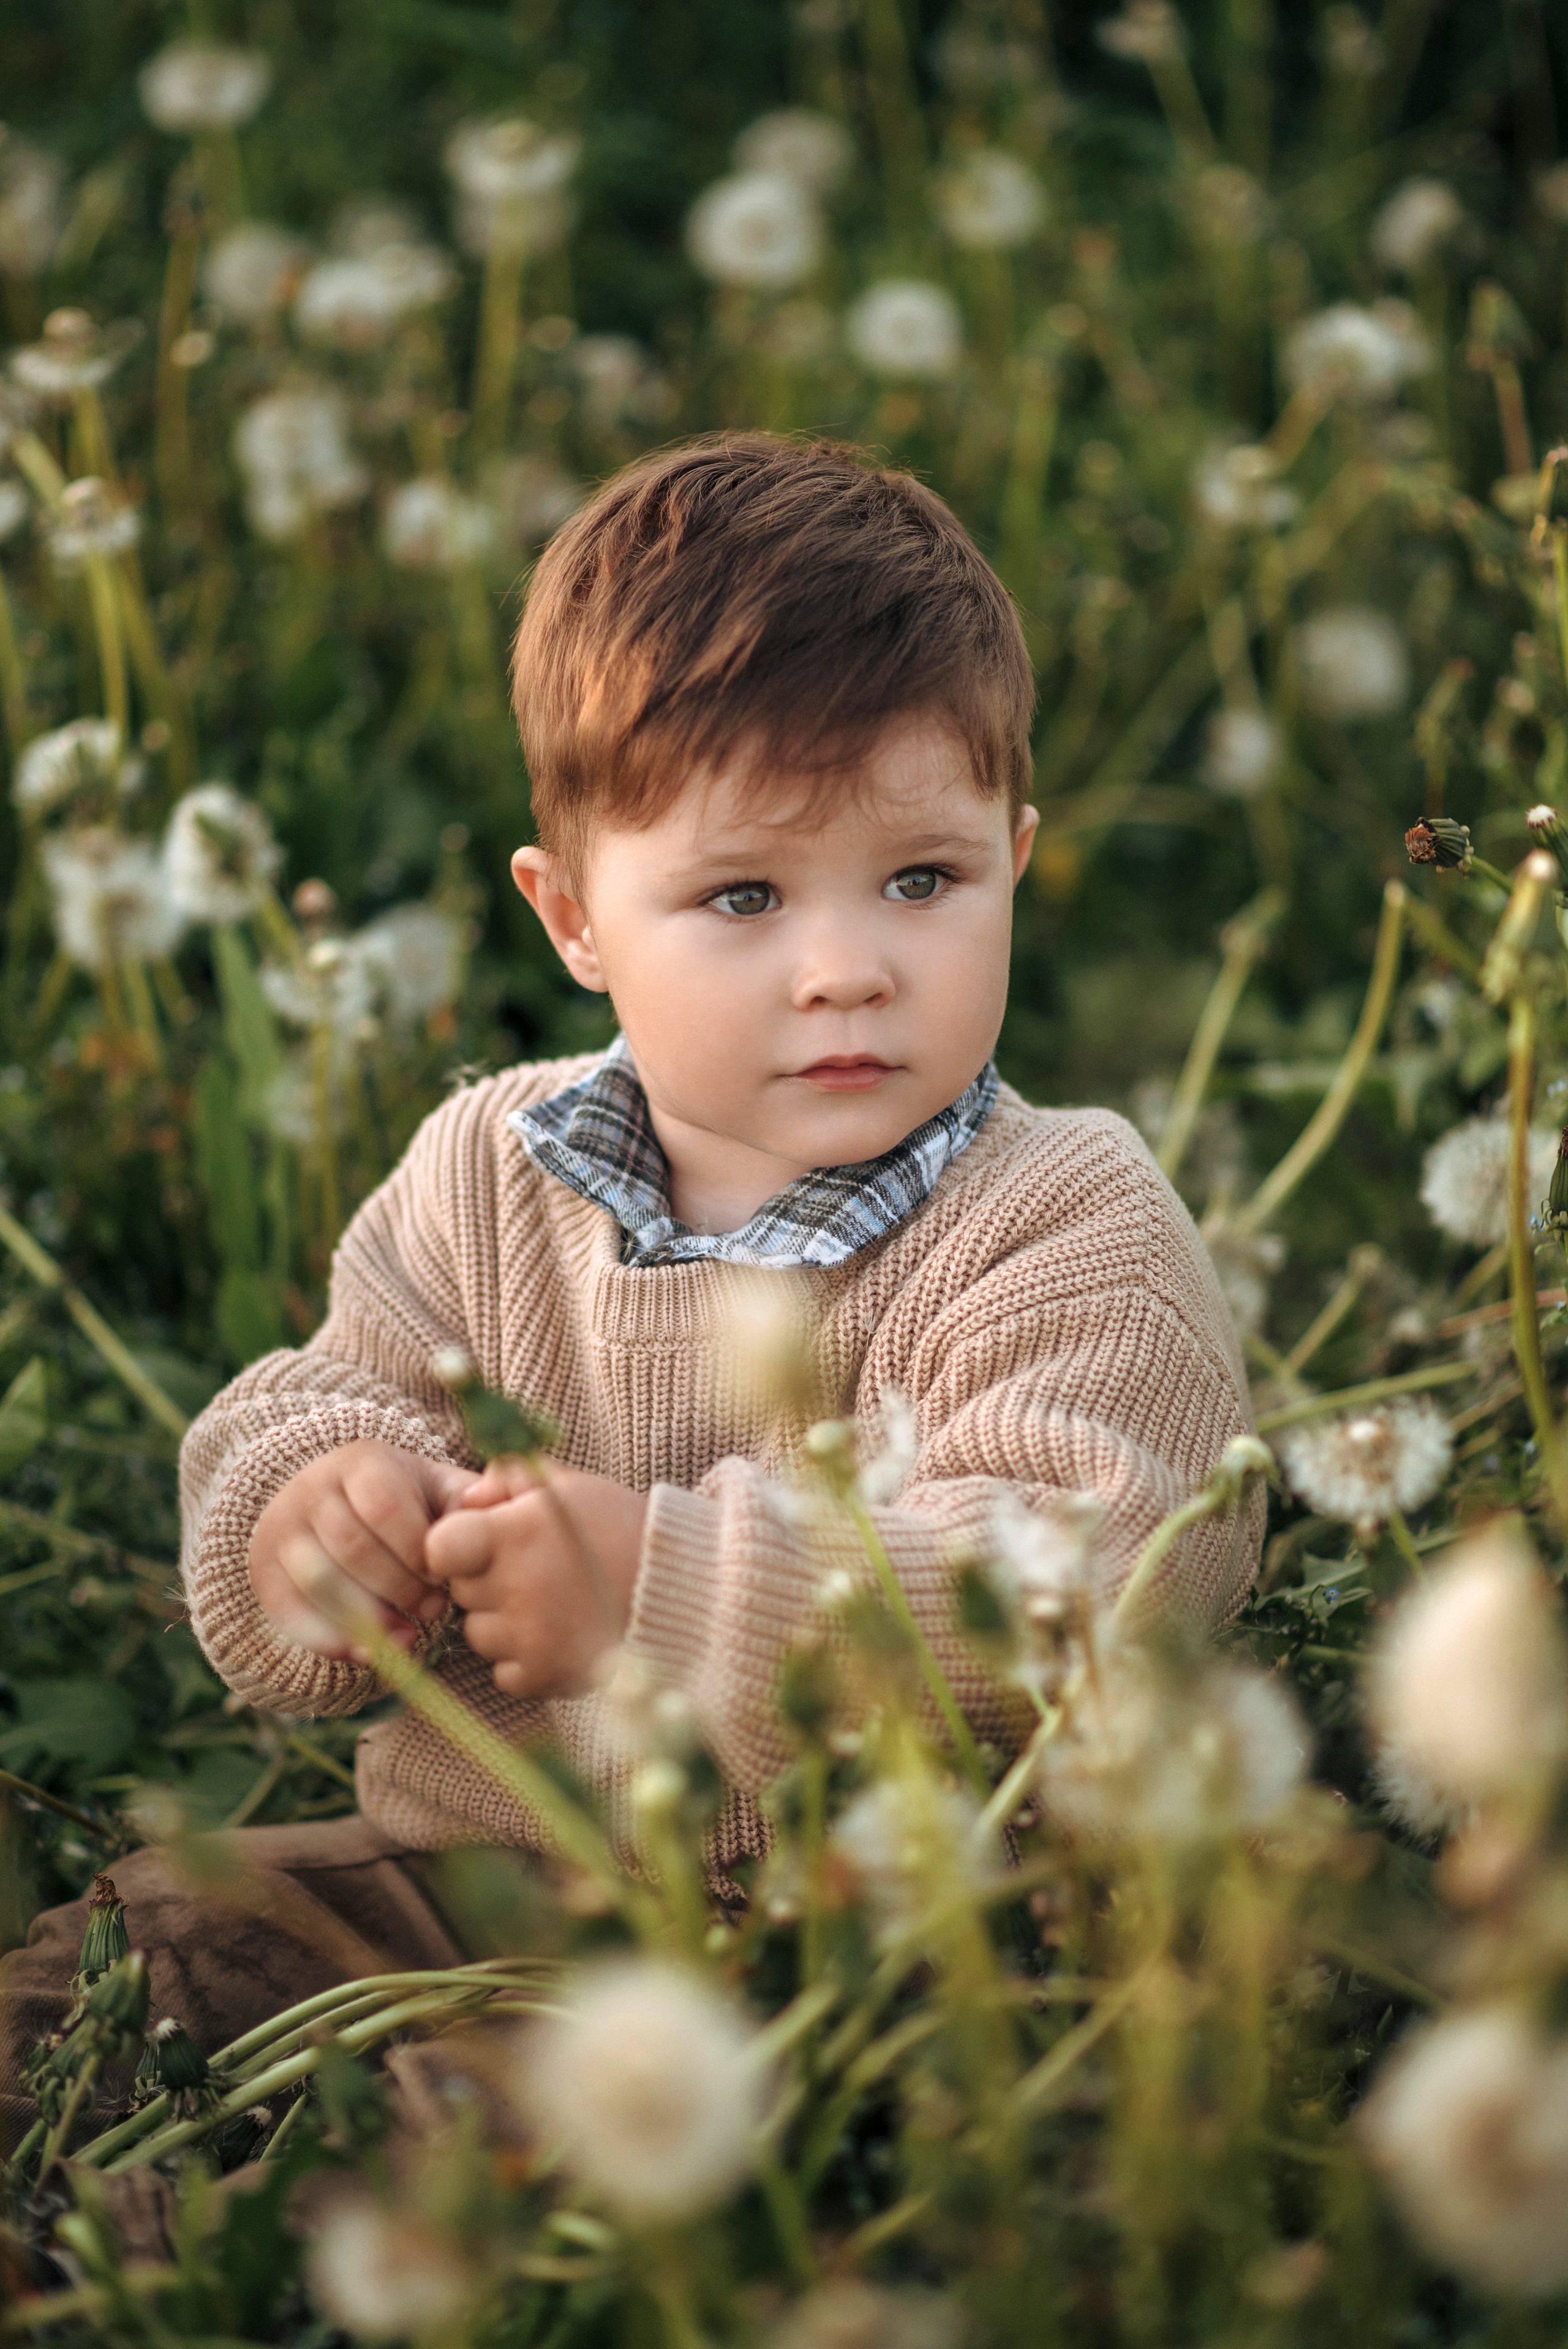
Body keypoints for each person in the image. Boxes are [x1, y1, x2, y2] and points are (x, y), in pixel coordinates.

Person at [0, 435, 1262, 2150]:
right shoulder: (486, 1167)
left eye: (923, 879)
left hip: (874, 1934)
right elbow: (335, 1383)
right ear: (575, 917)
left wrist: (666, 1596)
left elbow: (1110, 1573)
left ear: (1016, 857)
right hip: (475, 1871)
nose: (847, 968)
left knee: (448, 2138)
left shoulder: (1062, 1215)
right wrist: (316, 1517)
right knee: (137, 1955)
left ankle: (204, 2243)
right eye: (743, 895)